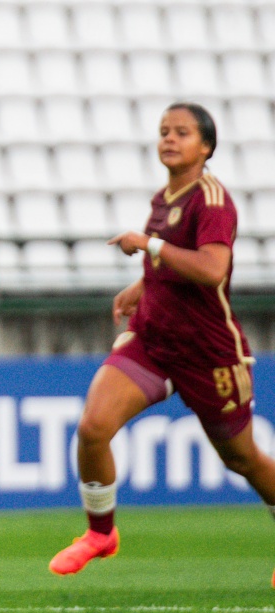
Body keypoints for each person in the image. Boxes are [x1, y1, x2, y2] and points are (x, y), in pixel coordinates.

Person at [50, 103, 275, 585]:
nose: (169, 139)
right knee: (93, 427)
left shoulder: (212, 200)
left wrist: (148, 246)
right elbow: (173, 264)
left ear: (206, 147)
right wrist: (143, 285)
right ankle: (101, 532)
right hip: (154, 340)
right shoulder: (164, 196)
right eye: (164, 132)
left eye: (182, 133)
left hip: (207, 352)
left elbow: (213, 267)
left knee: (242, 459)